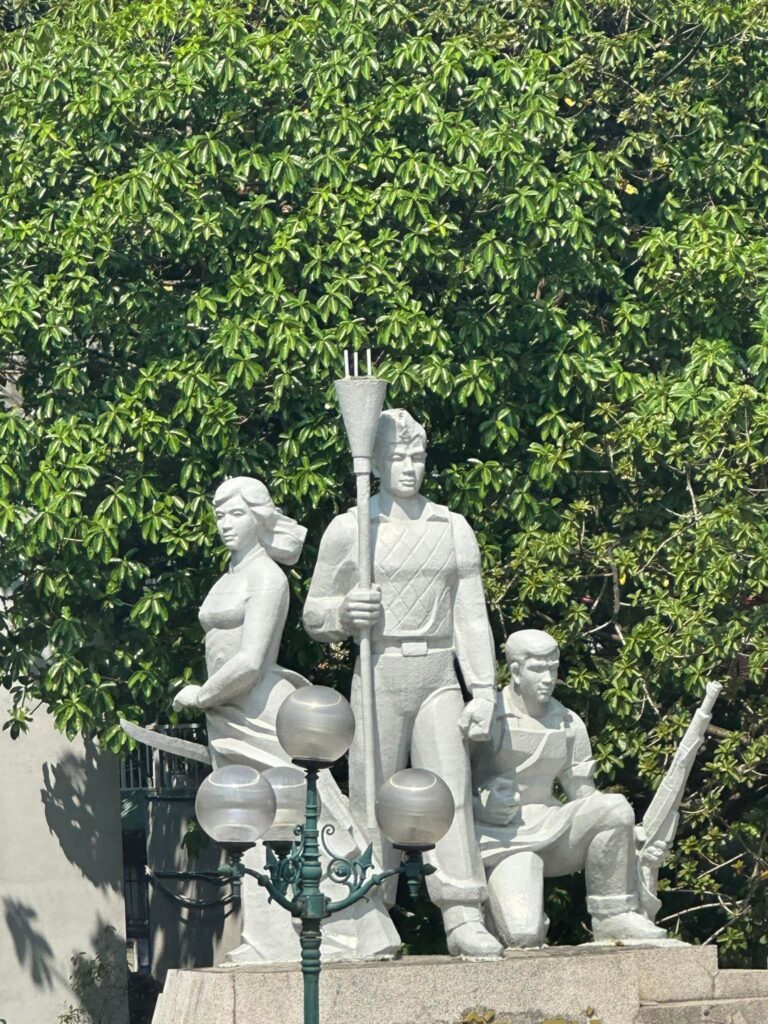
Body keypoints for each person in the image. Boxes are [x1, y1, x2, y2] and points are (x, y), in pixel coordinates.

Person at [173, 476, 400, 963]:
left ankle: (355, 930)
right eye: (219, 514)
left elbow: (251, 661)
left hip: (261, 711)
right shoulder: (230, 576)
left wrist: (201, 694)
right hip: (228, 716)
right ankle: (268, 940)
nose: (225, 523)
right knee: (250, 822)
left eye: (236, 513)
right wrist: (212, 702)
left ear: (259, 518)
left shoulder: (267, 578)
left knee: (299, 812)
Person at [303, 410, 502, 957]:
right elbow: (314, 614)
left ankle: (462, 912)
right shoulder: (351, 528)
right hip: (379, 670)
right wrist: (345, 612)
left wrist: (484, 690)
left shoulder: (452, 527)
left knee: (450, 792)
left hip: (438, 671)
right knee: (371, 795)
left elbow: (470, 616)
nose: (409, 466)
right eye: (397, 457)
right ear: (377, 463)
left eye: (417, 456)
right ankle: (369, 907)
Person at [471, 628, 671, 947]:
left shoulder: (568, 722)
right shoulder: (486, 718)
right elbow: (452, 791)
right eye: (538, 669)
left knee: (615, 808)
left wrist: (628, 836)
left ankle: (612, 915)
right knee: (523, 935)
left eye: (553, 669)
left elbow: (584, 795)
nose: (548, 679)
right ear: (515, 671)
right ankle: (496, 915)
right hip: (501, 838)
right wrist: (480, 805)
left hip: (553, 828)